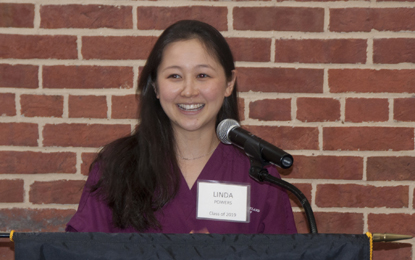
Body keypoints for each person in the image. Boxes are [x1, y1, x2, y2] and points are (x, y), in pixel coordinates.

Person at [66, 20, 297, 234]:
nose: (188, 91)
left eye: (203, 75)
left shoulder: (259, 177)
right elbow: (82, 251)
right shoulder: (115, 168)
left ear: (229, 83)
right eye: (175, 76)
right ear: (155, 86)